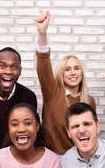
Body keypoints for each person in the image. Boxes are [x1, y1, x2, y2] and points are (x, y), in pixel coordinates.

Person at [35, 11, 96, 154]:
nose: (73, 73)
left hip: (79, 162)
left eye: (76, 68)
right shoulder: (53, 94)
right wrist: (42, 33)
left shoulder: (89, 101)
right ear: (61, 74)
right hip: (52, 160)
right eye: (67, 69)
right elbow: (43, 68)